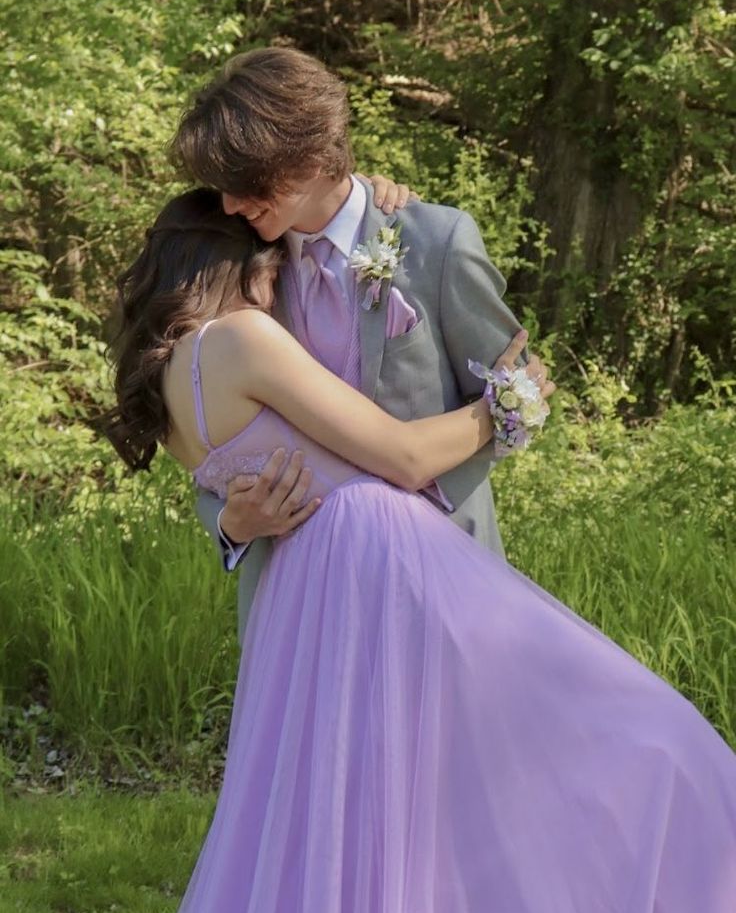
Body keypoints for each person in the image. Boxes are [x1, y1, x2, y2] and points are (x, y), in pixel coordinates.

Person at [106, 189, 736, 913]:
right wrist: (508, 401)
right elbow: (403, 456)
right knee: (639, 732)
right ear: (229, 263)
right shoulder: (242, 336)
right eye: (270, 266)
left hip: (309, 597)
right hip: (386, 568)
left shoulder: (168, 382)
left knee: (358, 816)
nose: (278, 285)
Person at [168, 47, 553, 645]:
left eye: (246, 184)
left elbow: (518, 393)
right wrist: (231, 523)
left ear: (315, 157)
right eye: (222, 187)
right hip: (300, 603)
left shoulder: (436, 242)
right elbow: (215, 443)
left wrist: (429, 488)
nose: (230, 204)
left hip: (441, 586)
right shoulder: (235, 268)